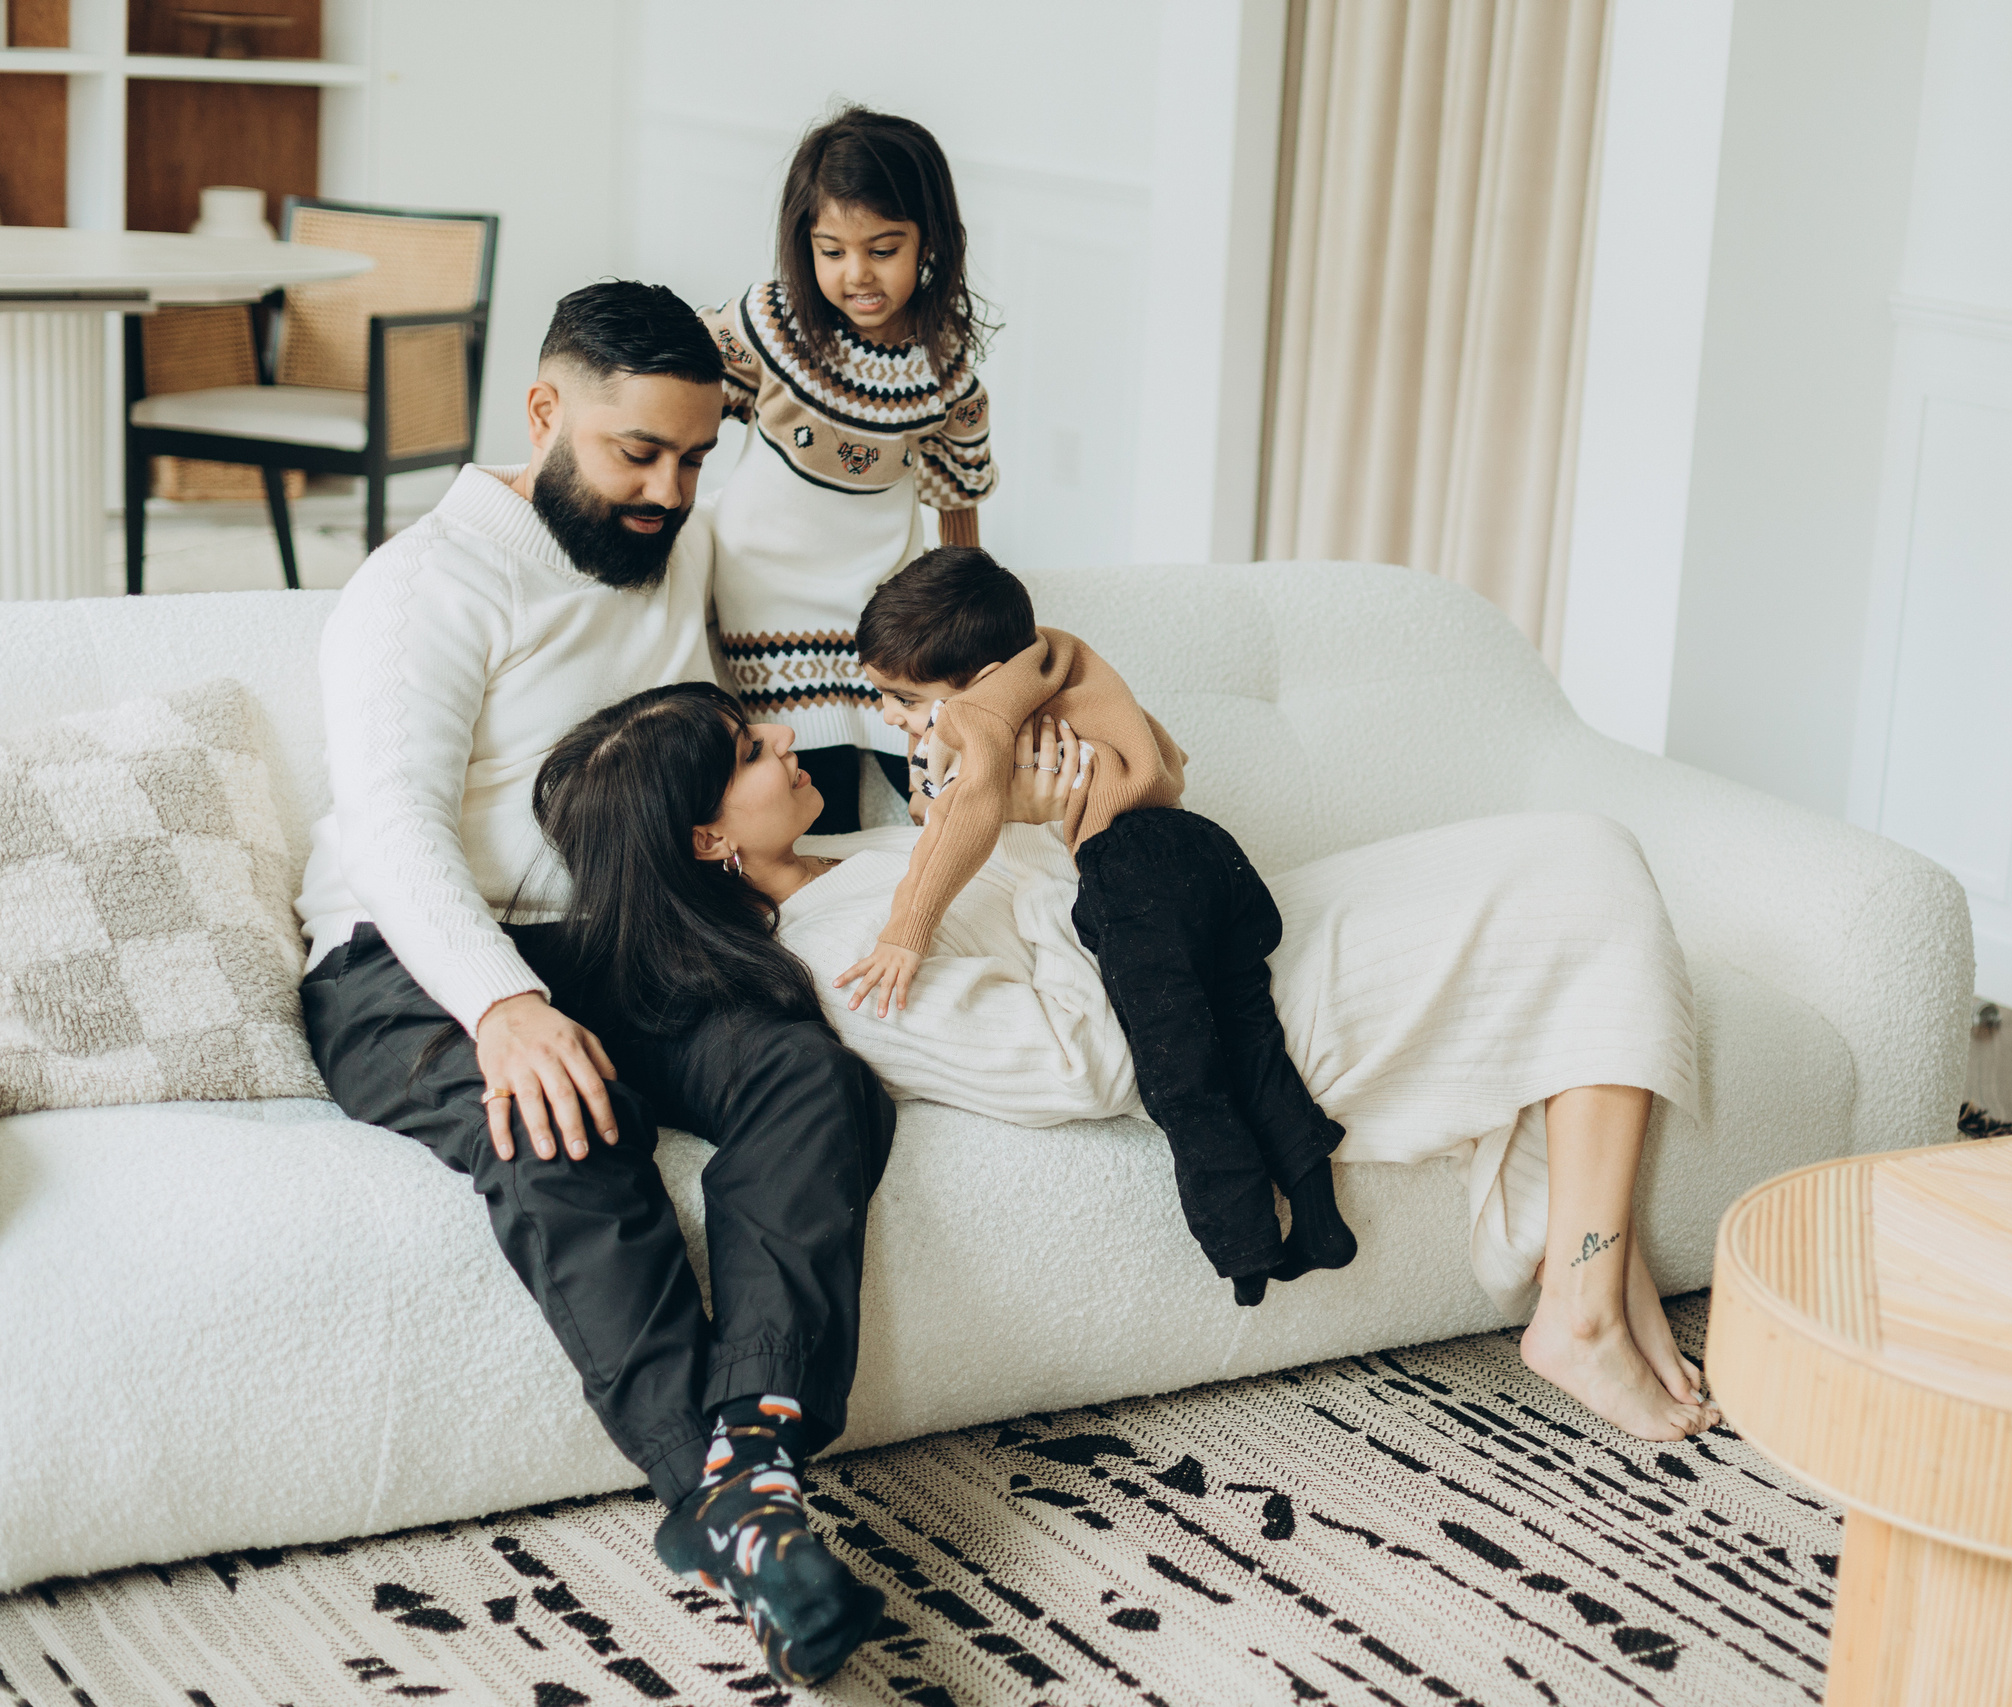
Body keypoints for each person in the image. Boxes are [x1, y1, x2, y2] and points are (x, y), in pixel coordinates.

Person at [536, 681, 1719, 1443]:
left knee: (1581, 846)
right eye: (751, 748)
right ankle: (1579, 1304)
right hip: (1214, 1011)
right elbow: (1085, 1065)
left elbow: (1061, 896)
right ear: (707, 840)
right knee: (1580, 871)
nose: (787, 738)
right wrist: (1079, 856)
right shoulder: (850, 966)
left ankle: (1590, 1279)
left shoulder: (851, 847)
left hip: (1220, 937)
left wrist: (1067, 821)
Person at [294, 281, 891, 1687]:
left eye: (695, 457)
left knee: (811, 1074)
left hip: (624, 939)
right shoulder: (422, 586)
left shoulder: (672, 540)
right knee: (567, 1118)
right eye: (638, 453)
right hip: (411, 957)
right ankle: (736, 1509)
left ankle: (747, 1455)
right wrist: (503, 1006)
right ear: (545, 412)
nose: (669, 490)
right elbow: (393, 829)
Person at [842, 548, 1358, 1308]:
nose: (891, 715)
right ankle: (1319, 1215)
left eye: (904, 699)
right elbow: (1164, 763)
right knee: (1251, 1031)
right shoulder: (1060, 656)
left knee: (1179, 1067)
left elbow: (963, 814)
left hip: (1133, 874)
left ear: (976, 681)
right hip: (1204, 848)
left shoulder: (979, 711)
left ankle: (1246, 1249)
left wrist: (906, 929)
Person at [701, 104, 997, 833]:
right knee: (815, 804)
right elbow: (686, 400)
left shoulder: (946, 365)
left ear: (930, 238)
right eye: (831, 251)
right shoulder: (770, 325)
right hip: (765, 595)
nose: (856, 273)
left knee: (938, 787)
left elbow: (957, 495)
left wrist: (971, 628)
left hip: (879, 601)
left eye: (883, 248)